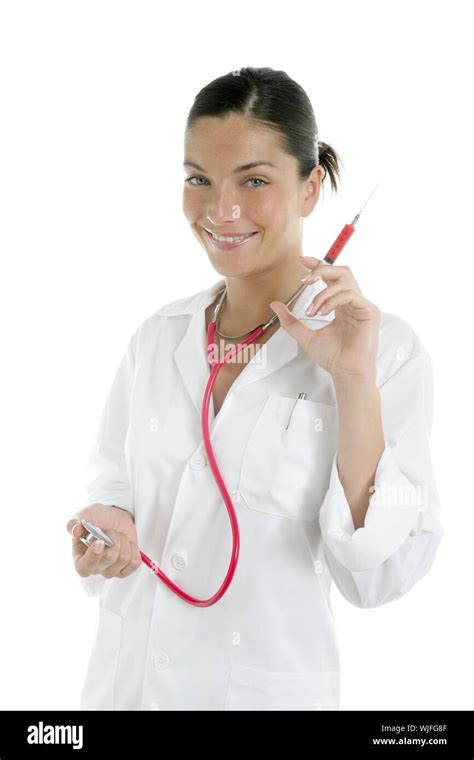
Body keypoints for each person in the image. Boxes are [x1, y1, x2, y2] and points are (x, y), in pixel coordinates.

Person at [66, 66, 444, 711]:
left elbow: (380, 577)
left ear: (310, 187)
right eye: (198, 180)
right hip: (123, 693)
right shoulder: (158, 338)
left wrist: (351, 380)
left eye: (255, 181)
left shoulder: (384, 350)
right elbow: (113, 483)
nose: (221, 211)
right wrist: (107, 524)